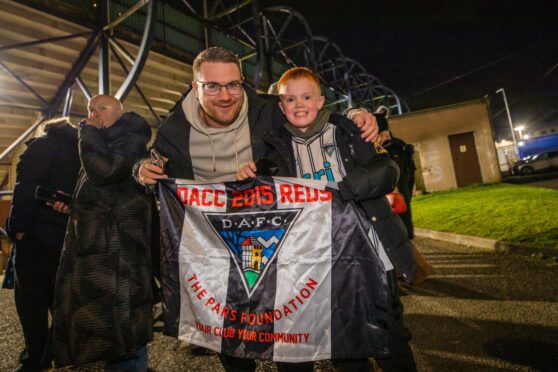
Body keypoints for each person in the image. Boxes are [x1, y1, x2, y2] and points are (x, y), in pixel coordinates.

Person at [135, 47, 380, 372]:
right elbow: (153, 161)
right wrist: (141, 168)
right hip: (218, 254)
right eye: (213, 86)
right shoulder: (174, 131)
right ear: (196, 87)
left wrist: (355, 115)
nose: (226, 96)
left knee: (291, 344)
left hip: (278, 244)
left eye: (233, 85)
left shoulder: (267, 110)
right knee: (232, 346)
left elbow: (310, 112)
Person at [237, 67, 417, 372]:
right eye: (290, 100)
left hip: (370, 255)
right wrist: (248, 177)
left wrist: (342, 191)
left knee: (389, 339)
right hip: (319, 264)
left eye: (307, 96)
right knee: (344, 346)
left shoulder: (349, 130)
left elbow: (387, 170)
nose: (300, 104)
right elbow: (266, 202)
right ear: (281, 108)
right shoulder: (273, 147)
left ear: (321, 100)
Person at [50, 95, 153, 370]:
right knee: (113, 332)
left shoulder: (129, 137)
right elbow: (103, 192)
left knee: (124, 328)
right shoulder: (105, 142)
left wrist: (88, 131)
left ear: (120, 112)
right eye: (89, 110)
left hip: (119, 253)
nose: (93, 114)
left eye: (102, 108)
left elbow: (105, 171)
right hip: (105, 249)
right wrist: (73, 204)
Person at [7, 117, 80, 371]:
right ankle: (61, 353)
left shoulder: (42, 146)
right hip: (70, 236)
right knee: (61, 302)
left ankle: (35, 360)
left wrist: (17, 229)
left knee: (31, 303)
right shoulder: (82, 150)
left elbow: (25, 188)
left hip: (38, 234)